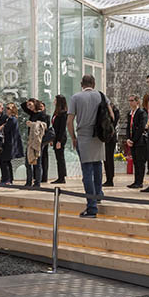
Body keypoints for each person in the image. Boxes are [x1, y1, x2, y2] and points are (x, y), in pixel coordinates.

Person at [68, 75, 112, 218]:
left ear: (82, 84)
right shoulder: (102, 96)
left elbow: (70, 121)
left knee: (87, 171)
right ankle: (98, 194)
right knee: (98, 166)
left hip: (84, 136)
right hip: (98, 136)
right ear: (94, 83)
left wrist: (73, 137)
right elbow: (111, 115)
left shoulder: (76, 97)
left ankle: (91, 207)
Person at [21, 99, 52, 187]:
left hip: (38, 141)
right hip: (31, 140)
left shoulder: (43, 115)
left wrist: (32, 124)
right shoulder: (32, 113)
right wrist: (28, 101)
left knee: (37, 163)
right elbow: (23, 106)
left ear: (35, 104)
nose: (29, 107)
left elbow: (44, 126)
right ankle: (28, 181)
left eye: (30, 105)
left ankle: (37, 182)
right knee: (28, 162)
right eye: (28, 106)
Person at [126, 95, 149, 189]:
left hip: (140, 141)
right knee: (135, 162)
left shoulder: (141, 113)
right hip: (132, 141)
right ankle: (136, 181)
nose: (130, 102)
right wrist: (128, 138)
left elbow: (141, 128)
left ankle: (139, 182)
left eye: (132, 100)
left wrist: (133, 140)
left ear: (137, 102)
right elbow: (129, 127)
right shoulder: (130, 113)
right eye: (129, 100)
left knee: (140, 162)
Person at [0, 102, 20, 185]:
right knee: (6, 161)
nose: (6, 110)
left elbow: (7, 129)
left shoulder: (12, 119)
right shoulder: (9, 119)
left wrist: (2, 126)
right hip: (7, 143)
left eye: (8, 108)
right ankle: (9, 179)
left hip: (9, 143)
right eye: (6, 108)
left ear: (12, 110)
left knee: (4, 160)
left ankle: (7, 179)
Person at [50, 95, 68, 184]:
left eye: (55, 99)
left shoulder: (63, 113)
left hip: (60, 138)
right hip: (56, 137)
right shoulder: (56, 113)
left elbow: (62, 128)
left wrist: (59, 141)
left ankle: (62, 177)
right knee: (58, 158)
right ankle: (60, 176)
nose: (54, 101)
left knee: (60, 158)